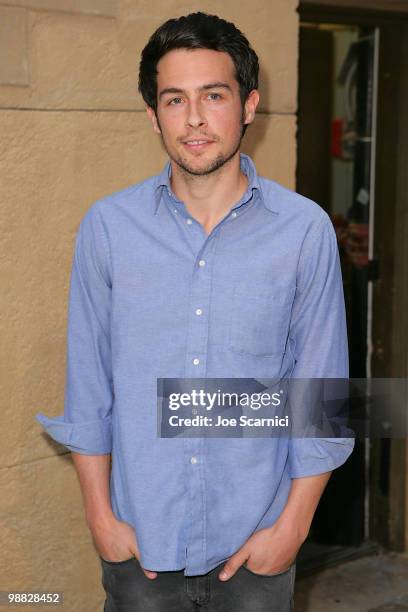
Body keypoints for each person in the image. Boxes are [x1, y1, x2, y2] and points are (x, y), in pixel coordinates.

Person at [35, 11, 355, 612]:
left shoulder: (304, 231)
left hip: (258, 547)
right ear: (153, 115)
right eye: (174, 99)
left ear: (249, 104)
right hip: (141, 553)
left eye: (214, 94)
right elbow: (89, 384)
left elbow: (319, 398)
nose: (196, 118)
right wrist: (101, 519)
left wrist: (291, 530)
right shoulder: (109, 228)